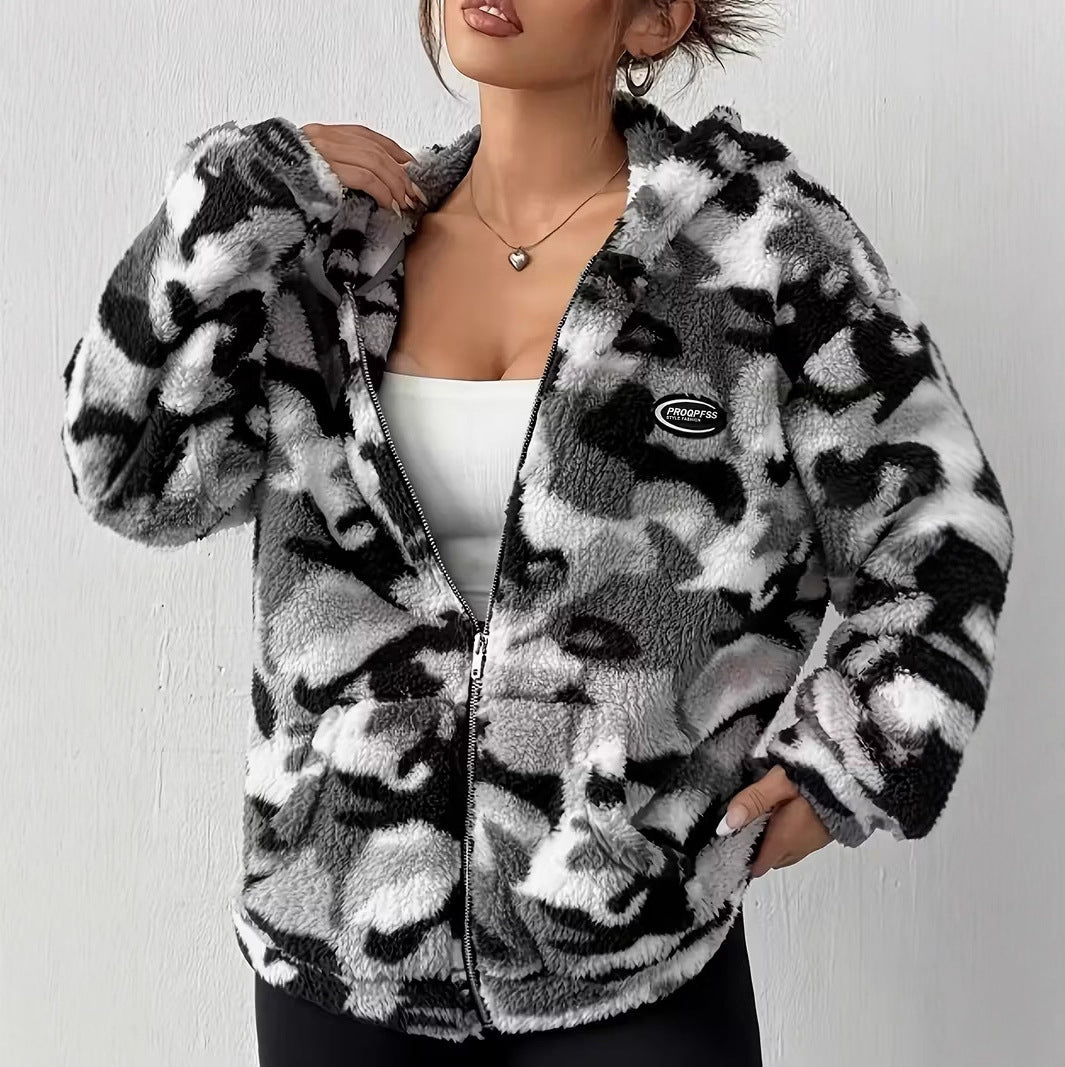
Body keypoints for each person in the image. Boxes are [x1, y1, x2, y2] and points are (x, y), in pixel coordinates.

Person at [59, 1, 1014, 1064]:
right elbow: (126, 473)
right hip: (338, 931)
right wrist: (235, 192)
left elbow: (937, 520)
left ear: (652, 20)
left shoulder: (760, 246)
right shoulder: (335, 251)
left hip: (631, 946)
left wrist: (853, 756)